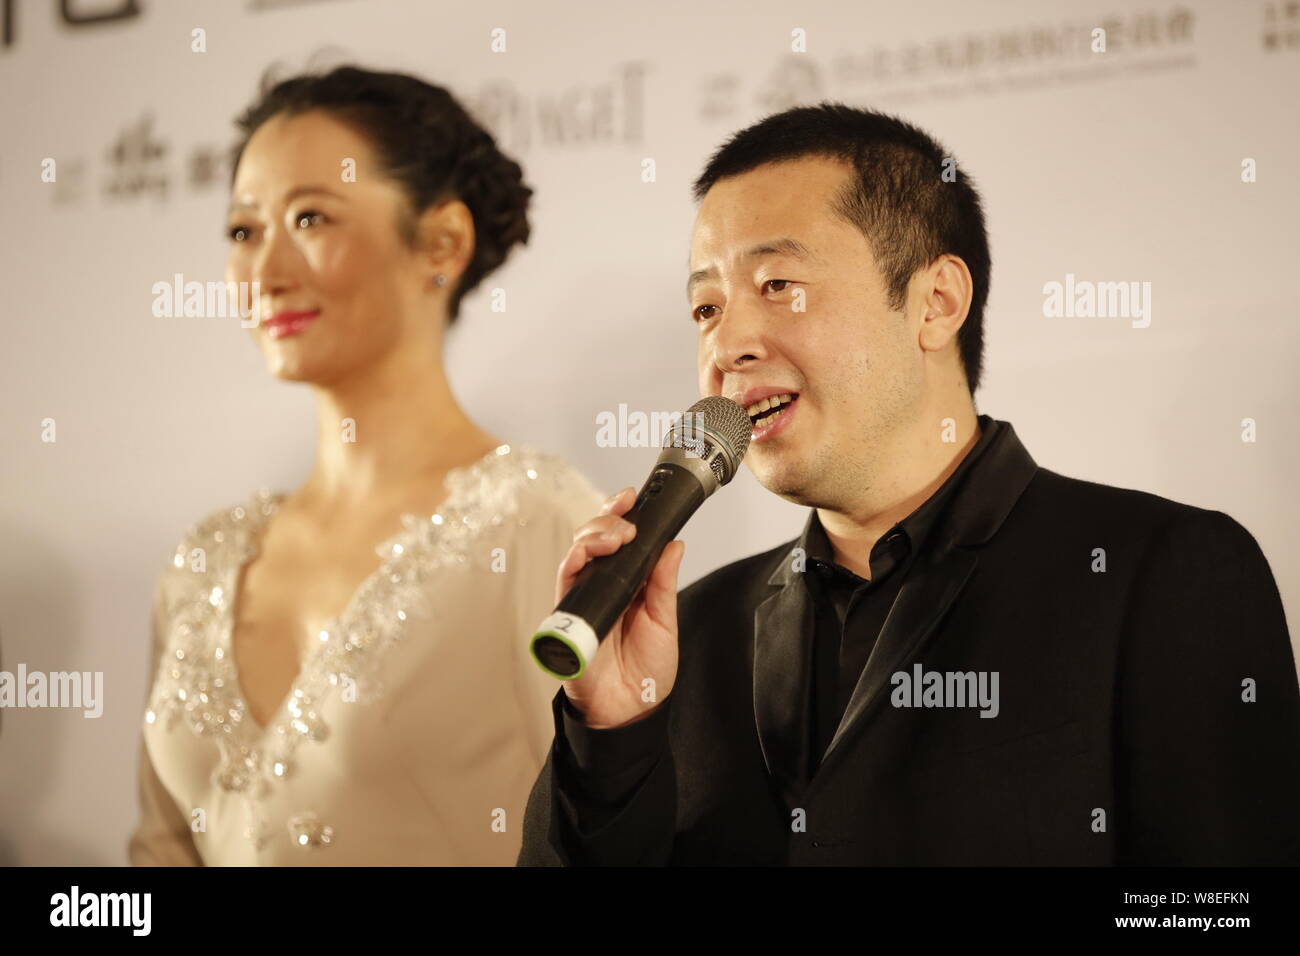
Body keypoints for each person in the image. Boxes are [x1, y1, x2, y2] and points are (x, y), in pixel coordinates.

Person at [518, 103, 1300, 866]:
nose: (728, 344)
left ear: (936, 303)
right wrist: (612, 741)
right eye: (706, 306)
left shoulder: (1163, 572)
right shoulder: (688, 632)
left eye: (779, 284)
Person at [128, 66, 604, 865]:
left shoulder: (541, 523)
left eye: (310, 217)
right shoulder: (204, 560)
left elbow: (612, 827)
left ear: (443, 242)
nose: (266, 270)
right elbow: (158, 850)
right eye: (244, 230)